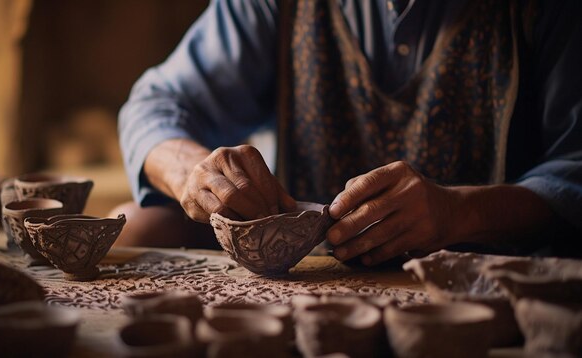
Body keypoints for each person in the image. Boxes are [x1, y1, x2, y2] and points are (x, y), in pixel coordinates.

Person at [115, 0, 582, 265]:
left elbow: (574, 167)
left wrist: (460, 212)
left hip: (484, 262)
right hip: (309, 263)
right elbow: (156, 105)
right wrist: (194, 174)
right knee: (136, 224)